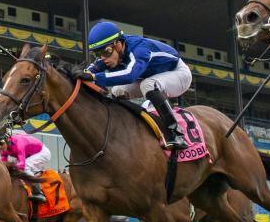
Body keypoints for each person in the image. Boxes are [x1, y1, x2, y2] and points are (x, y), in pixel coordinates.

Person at [77, 20, 191, 149]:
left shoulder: (139, 49)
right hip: (151, 77)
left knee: (148, 85)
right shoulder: (112, 52)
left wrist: (95, 77)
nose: (103, 57)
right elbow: (94, 68)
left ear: (118, 44)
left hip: (179, 73)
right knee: (117, 91)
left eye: (106, 52)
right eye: (98, 54)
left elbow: (129, 75)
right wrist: (82, 73)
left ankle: (176, 134)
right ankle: (122, 130)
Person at [0, 132, 49, 204]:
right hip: (29, 154)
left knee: (26, 166)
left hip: (42, 152)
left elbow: (22, 165)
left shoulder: (18, 143)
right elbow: (4, 164)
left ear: (7, 139)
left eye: (1, 143)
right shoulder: (3, 148)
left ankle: (38, 192)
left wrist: (11, 167)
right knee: (11, 163)